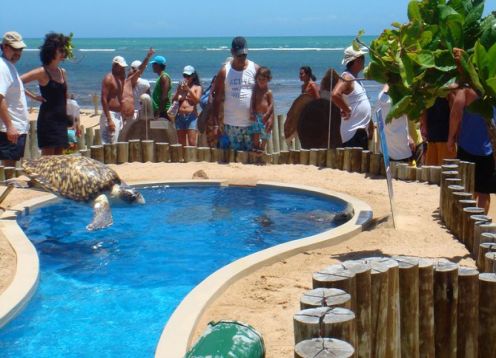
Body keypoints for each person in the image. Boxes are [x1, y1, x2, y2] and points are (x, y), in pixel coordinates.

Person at [21, 32, 72, 155]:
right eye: (60, 50)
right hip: (47, 121)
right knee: (47, 160)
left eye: (64, 50)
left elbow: (64, 97)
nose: (63, 53)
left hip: (61, 120)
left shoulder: (62, 72)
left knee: (60, 160)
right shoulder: (42, 72)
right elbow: (17, 82)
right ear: (51, 51)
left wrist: (70, 118)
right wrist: (33, 96)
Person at [448, 87, 496, 213]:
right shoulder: (491, 88)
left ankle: (467, 222)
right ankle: (479, 224)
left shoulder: (467, 90)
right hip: (489, 150)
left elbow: (456, 114)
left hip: (467, 147)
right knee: (484, 191)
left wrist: (451, 137)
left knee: (467, 189)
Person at [212, 36, 259, 151]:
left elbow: (263, 96)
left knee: (252, 160)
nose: (242, 58)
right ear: (232, 52)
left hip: (251, 125)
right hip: (230, 125)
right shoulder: (224, 72)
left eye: (244, 55)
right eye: (239, 55)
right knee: (232, 160)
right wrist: (216, 124)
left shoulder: (255, 69)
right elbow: (217, 99)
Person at [100, 49, 153, 144]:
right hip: (111, 114)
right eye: (121, 67)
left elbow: (140, 70)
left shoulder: (125, 82)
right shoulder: (109, 78)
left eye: (124, 67)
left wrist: (147, 57)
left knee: (118, 142)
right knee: (109, 143)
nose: (123, 69)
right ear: (115, 66)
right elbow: (103, 99)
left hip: (120, 115)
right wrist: (109, 119)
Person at [332, 46, 372, 149]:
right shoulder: (347, 77)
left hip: (359, 131)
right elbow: (335, 94)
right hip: (353, 133)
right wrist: (347, 110)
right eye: (362, 58)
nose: (364, 61)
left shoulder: (355, 79)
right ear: (357, 60)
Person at [0, 31, 29, 167]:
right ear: (5, 47)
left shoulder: (9, 66)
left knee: (11, 166)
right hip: (9, 129)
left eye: (20, 49)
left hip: (16, 128)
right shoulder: (2, 67)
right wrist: (10, 126)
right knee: (8, 169)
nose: (18, 52)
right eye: (15, 49)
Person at [376, 84, 414, 162]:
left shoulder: (381, 97)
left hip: (386, 150)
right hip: (402, 150)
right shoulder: (403, 99)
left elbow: (386, 86)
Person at [171, 65, 202, 146]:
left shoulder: (197, 87)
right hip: (179, 116)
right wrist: (178, 91)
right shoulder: (180, 87)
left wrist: (188, 90)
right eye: (185, 76)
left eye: (188, 76)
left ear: (193, 76)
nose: (186, 78)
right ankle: (182, 158)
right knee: (181, 143)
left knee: (192, 142)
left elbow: (197, 101)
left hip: (191, 116)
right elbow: (173, 100)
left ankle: (192, 158)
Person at [420, 97, 456, 165]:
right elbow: (454, 113)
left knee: (433, 171)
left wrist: (424, 127)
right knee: (445, 171)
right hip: (444, 138)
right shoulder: (449, 89)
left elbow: (423, 110)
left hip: (435, 136)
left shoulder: (428, 89)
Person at [249, 66, 274, 153]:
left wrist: (268, 115)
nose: (261, 81)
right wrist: (251, 112)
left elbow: (271, 104)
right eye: (259, 79)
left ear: (268, 79)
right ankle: (256, 147)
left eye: (263, 79)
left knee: (265, 133)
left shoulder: (268, 92)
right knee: (256, 132)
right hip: (256, 115)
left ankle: (262, 148)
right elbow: (252, 101)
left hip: (265, 116)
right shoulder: (255, 89)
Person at [151, 55, 172, 120]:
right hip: (159, 110)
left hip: (162, 111)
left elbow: (164, 97)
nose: (152, 66)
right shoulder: (161, 77)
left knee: (159, 128)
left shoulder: (164, 77)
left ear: (158, 65)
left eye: (154, 64)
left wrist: (158, 112)